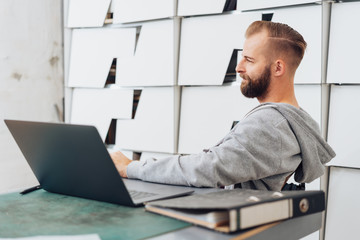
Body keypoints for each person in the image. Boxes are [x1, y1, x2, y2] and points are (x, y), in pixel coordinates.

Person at [110, 21, 336, 191]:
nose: (238, 68)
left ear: (278, 68)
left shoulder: (273, 124)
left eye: (249, 60)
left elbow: (207, 169)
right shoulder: (286, 120)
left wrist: (131, 167)